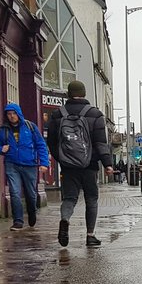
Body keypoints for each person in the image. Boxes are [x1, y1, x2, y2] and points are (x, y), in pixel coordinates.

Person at [46, 80, 114, 248]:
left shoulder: (57, 114)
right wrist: (107, 164)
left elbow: (52, 143)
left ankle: (65, 219)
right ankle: (90, 236)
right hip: (89, 165)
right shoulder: (95, 114)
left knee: (69, 198)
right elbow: (100, 143)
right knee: (91, 199)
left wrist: (62, 159)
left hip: (68, 166)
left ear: (69, 94)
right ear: (84, 94)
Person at [0, 103, 50, 231]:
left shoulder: (30, 127)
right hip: (11, 164)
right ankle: (18, 221)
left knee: (31, 194)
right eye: (9, 114)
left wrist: (44, 163)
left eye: (14, 114)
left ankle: (32, 212)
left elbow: (41, 144)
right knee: (14, 192)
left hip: (29, 164)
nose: (12, 116)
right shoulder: (3, 130)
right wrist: (1, 149)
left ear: (19, 114)